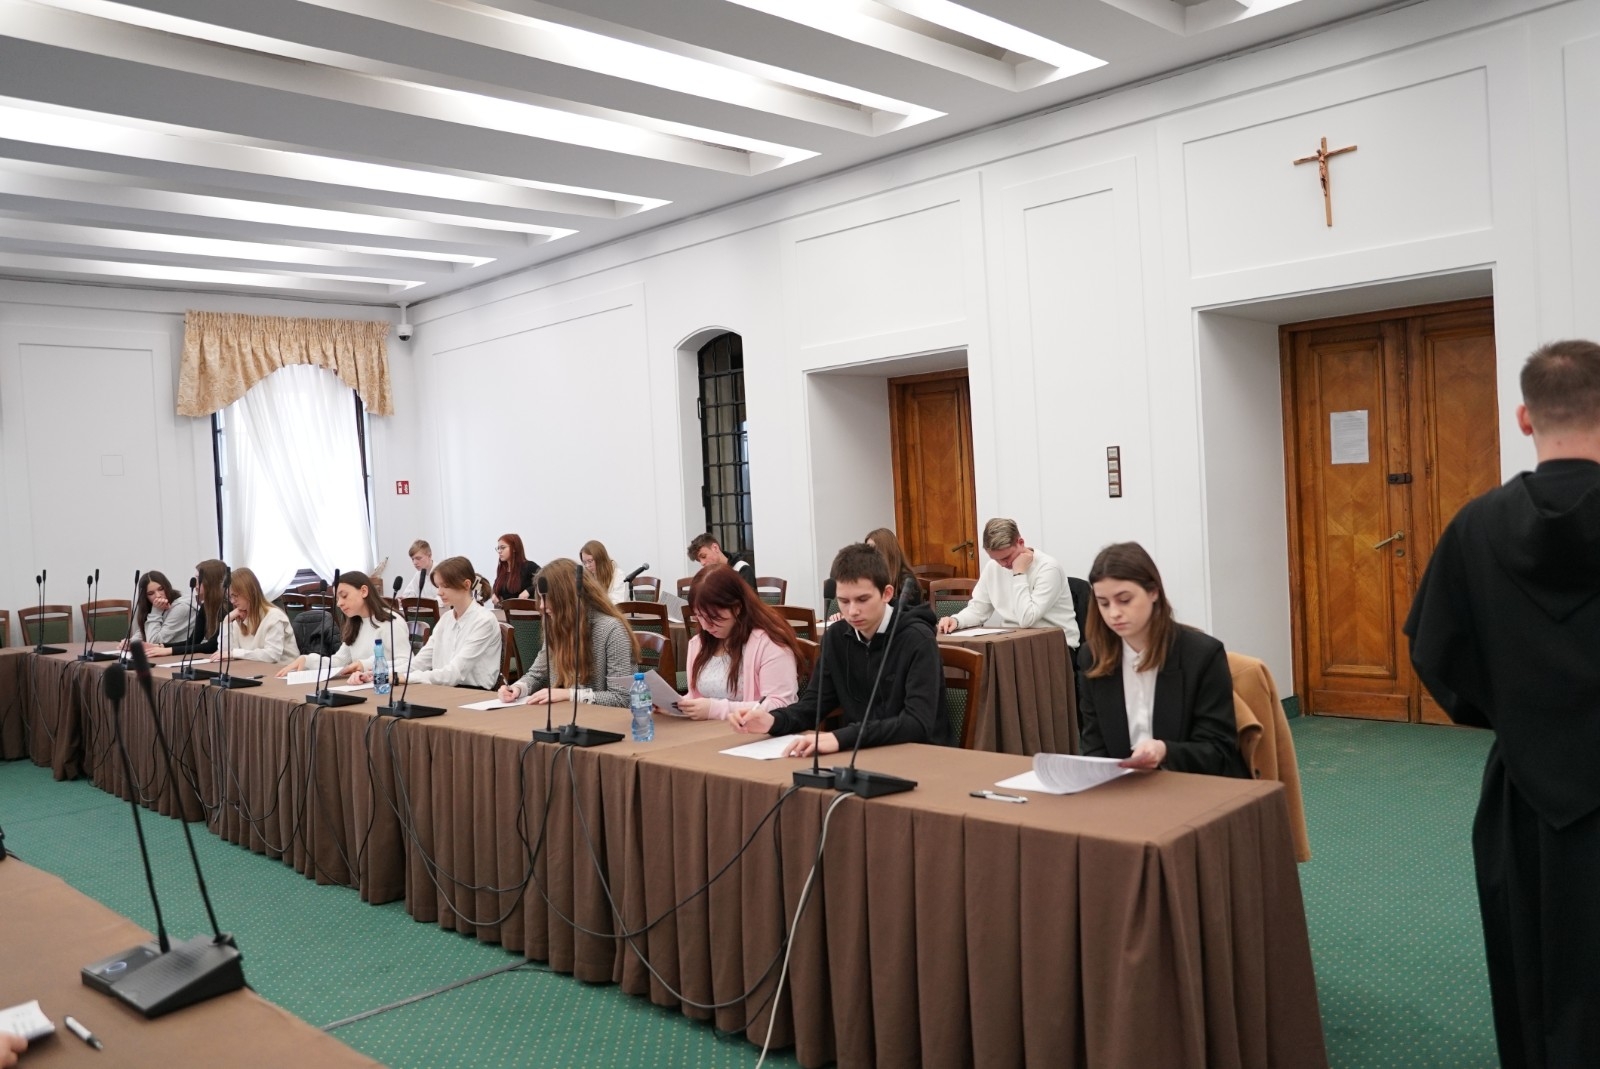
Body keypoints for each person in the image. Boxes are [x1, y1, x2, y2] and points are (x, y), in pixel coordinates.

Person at [1405, 338, 1600, 1069]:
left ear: (1524, 417)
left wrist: (1513, 715)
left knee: (1532, 966)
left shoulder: (1475, 527)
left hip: (1524, 790)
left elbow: (1436, 653)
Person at [731, 543, 951, 756]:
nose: (852, 611)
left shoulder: (917, 639)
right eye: (843, 601)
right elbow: (814, 705)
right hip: (861, 752)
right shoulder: (836, 637)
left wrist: (842, 738)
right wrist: (773, 720)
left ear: (886, 593)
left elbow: (917, 723)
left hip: (920, 756)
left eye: (862, 599)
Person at [1075, 542, 1245, 777]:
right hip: (1122, 786)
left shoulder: (1201, 655)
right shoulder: (1092, 656)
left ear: (1153, 592)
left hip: (1189, 782)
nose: (1113, 613)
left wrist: (1165, 751)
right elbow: (1094, 746)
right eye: (1103, 603)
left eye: (1125, 600)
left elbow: (1218, 751)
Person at [498, 558, 638, 707]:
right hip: (564, 714)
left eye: (547, 598)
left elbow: (621, 698)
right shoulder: (555, 625)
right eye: (540, 599)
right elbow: (536, 675)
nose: (542, 606)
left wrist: (568, 695)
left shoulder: (611, 629)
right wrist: (517, 688)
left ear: (567, 597)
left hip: (601, 718)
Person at [678, 565, 802, 721]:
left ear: (737, 607)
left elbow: (780, 704)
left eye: (714, 617)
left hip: (754, 731)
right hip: (708, 729)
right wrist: (677, 705)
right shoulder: (700, 643)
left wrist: (715, 709)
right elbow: (696, 698)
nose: (705, 626)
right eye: (699, 616)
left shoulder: (769, 643)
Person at [936, 518, 1080, 647]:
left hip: (1055, 645)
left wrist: (1019, 574)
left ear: (1020, 543)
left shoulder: (1048, 568)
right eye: (996, 559)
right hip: (1013, 642)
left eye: (1006, 557)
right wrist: (957, 620)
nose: (1003, 564)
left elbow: (1027, 620)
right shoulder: (992, 567)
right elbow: (978, 610)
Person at [368, 556, 501, 689]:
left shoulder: (484, 621)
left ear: (466, 585)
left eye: (445, 586)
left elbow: (454, 673)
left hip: (473, 693)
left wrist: (403, 678)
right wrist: (381, 674)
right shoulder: (446, 619)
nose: (439, 592)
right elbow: (419, 662)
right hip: (445, 688)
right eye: (438, 586)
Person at [277, 569, 407, 679]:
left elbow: (407, 662)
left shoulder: (391, 621)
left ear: (364, 591)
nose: (339, 604)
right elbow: (339, 661)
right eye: (337, 599)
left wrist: (365, 665)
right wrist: (308, 660)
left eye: (344, 596)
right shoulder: (356, 623)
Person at [141, 559, 227, 658]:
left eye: (199, 579)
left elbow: (211, 646)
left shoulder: (226, 607)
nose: (195, 584)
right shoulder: (205, 606)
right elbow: (193, 641)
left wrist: (169, 650)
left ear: (211, 582)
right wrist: (160, 646)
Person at [208, 566, 293, 663]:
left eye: (235, 595)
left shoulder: (274, 616)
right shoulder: (238, 618)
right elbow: (225, 654)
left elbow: (272, 655)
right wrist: (226, 621)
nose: (232, 601)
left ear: (249, 592)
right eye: (230, 597)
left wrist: (235, 654)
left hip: (284, 668)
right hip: (256, 669)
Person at [864, 527, 924, 609]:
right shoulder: (871, 577)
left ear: (886, 552)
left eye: (872, 550)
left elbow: (902, 611)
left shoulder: (907, 581)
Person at [131, 569, 185, 644]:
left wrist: (155, 612)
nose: (158, 595)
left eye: (161, 589)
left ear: (167, 587)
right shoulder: (152, 607)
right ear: (145, 597)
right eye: (151, 593)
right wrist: (130, 642)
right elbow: (144, 632)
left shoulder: (181, 607)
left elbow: (154, 642)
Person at [687, 533, 756, 590]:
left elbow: (749, 600)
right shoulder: (708, 576)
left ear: (715, 548)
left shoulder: (742, 569)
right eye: (699, 561)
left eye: (703, 556)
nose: (702, 563)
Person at [492, 534, 540, 604]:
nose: (499, 551)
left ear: (514, 548)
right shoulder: (502, 570)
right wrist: (494, 594)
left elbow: (546, 581)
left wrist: (528, 591)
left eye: (503, 547)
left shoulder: (529, 566)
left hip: (525, 609)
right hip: (505, 609)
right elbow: (496, 586)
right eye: (498, 548)